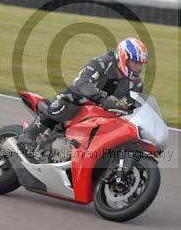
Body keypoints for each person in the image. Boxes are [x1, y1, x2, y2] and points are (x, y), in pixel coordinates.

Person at [17, 37, 148, 149]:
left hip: (101, 113)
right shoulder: (102, 63)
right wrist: (100, 99)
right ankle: (30, 133)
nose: (138, 68)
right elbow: (82, 81)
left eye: (140, 64)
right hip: (78, 102)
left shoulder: (135, 84)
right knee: (72, 99)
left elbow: (137, 108)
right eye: (135, 63)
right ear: (123, 57)